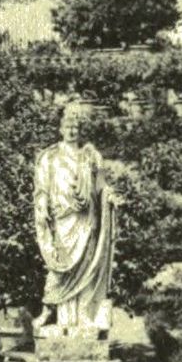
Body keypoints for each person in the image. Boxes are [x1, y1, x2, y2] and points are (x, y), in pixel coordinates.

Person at [33, 104, 120, 333]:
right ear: (61, 129)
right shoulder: (50, 157)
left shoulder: (90, 156)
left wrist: (109, 196)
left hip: (85, 220)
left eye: (76, 127)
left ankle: (83, 316)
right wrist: (42, 207)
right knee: (59, 267)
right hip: (62, 220)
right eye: (68, 126)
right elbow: (41, 188)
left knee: (87, 267)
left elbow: (101, 186)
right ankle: (49, 308)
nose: (72, 131)